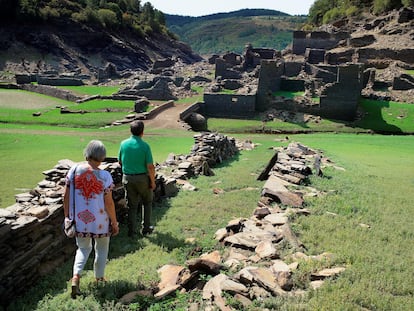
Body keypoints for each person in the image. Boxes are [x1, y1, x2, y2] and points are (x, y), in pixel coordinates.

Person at [63, 140, 119, 299]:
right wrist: (114, 222)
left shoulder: (73, 171)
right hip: (100, 221)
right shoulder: (104, 176)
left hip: (80, 220)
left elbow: (65, 196)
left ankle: (75, 277)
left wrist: (67, 216)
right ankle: (99, 278)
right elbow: (109, 202)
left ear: (87, 153)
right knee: (101, 249)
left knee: (82, 248)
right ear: (102, 157)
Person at [118, 120, 156, 237]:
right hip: (143, 179)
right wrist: (152, 182)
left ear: (130, 131)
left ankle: (132, 232)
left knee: (132, 206)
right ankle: (146, 228)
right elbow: (150, 166)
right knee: (147, 202)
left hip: (128, 178)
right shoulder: (145, 146)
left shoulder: (123, 144)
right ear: (142, 132)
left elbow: (120, 161)